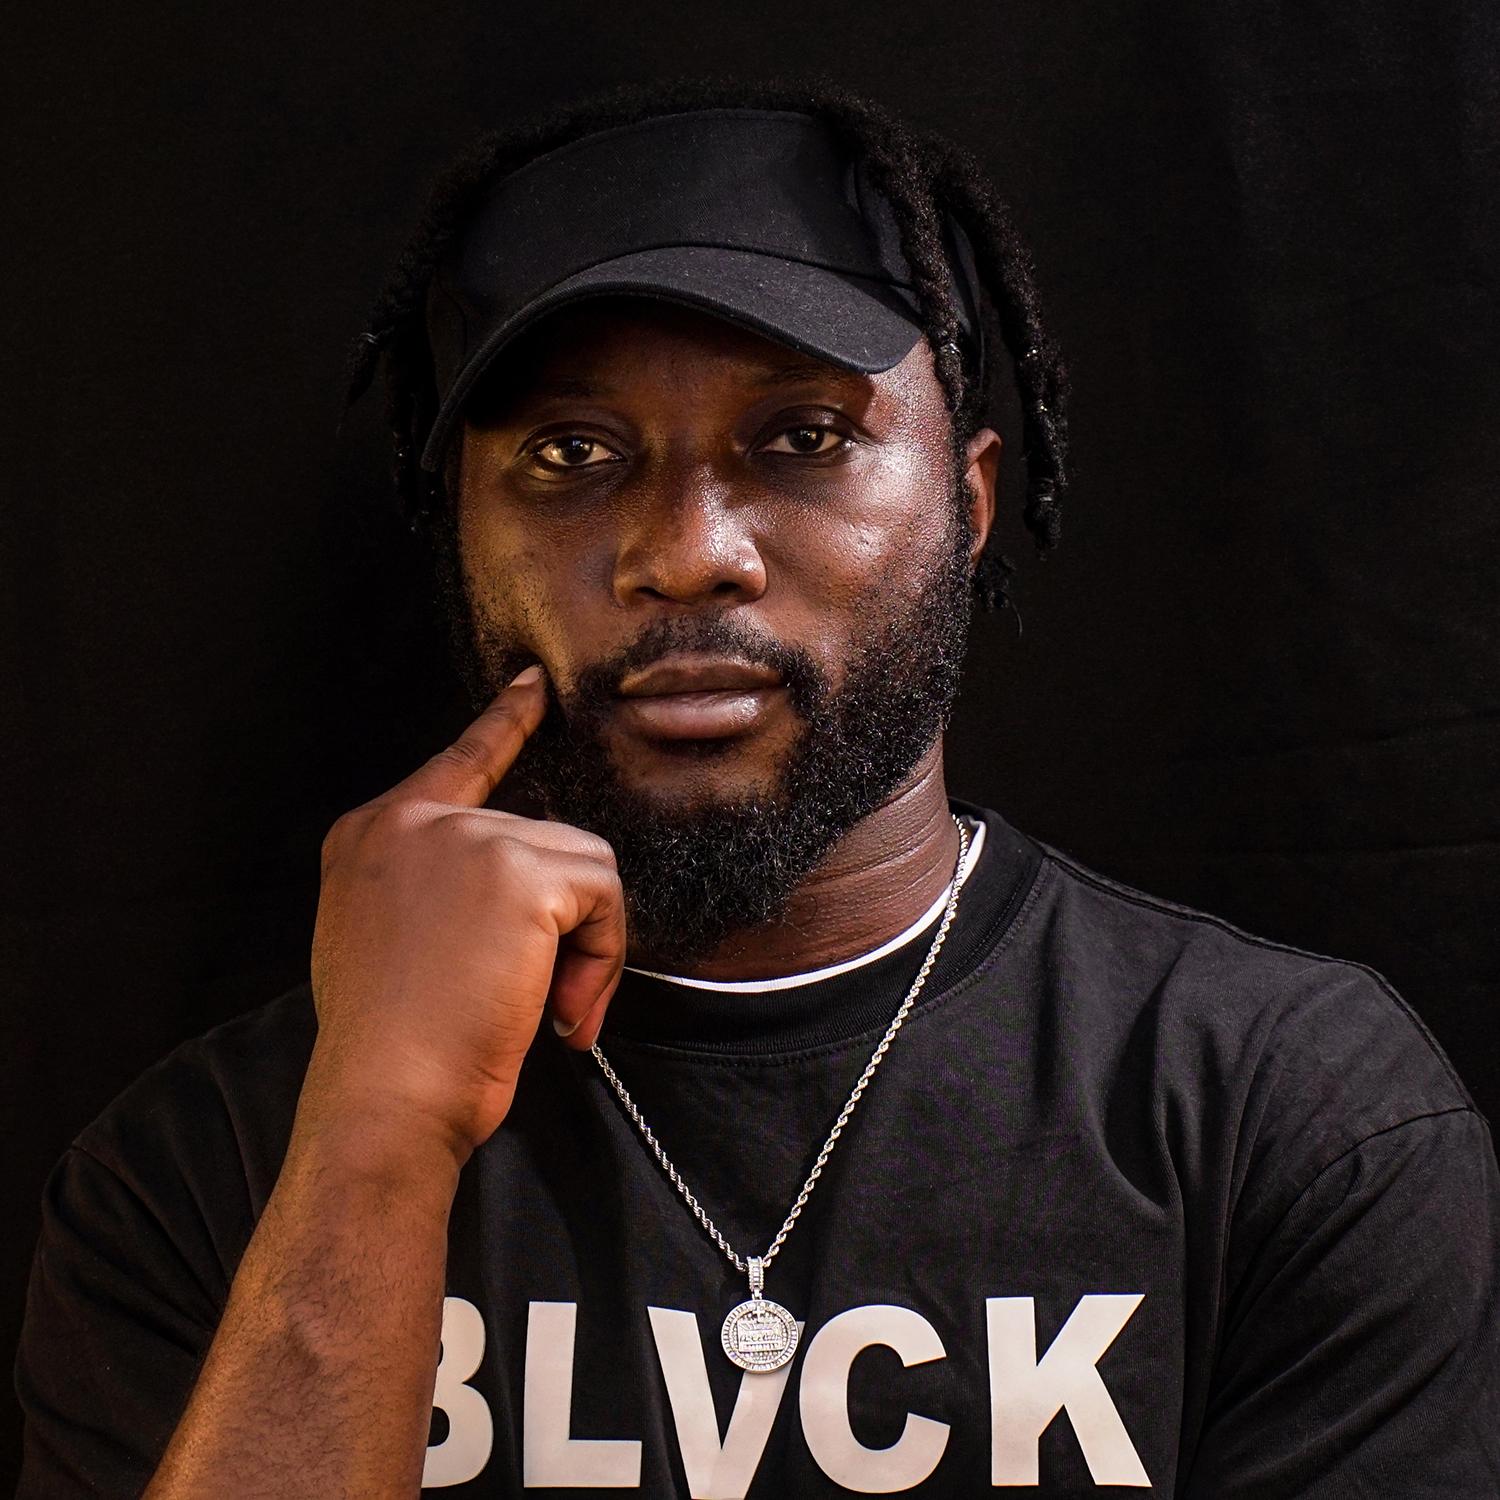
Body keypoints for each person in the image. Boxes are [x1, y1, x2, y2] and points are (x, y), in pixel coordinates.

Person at [14, 78, 1499, 1498]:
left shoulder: (1283, 1111)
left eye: (803, 439)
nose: (686, 552)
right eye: (572, 452)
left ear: (969, 503)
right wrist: (375, 1145)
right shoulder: (211, 1165)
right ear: (459, 527)